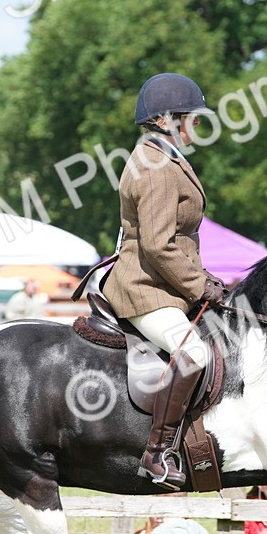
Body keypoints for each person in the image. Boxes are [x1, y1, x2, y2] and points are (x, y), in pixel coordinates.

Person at [100, 72, 224, 491]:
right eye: (193, 118)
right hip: (145, 289)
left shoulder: (165, 157)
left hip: (165, 283)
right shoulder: (154, 166)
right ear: (168, 119)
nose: (198, 126)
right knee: (194, 355)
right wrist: (199, 286)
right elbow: (157, 244)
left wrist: (205, 278)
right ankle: (156, 454)